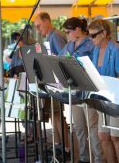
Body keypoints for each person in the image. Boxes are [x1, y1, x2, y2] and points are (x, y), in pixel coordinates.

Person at [59, 17, 104, 163]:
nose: (66, 35)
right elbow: (59, 59)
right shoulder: (69, 45)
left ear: (78, 29)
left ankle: (97, 158)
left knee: (92, 126)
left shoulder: (91, 43)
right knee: (78, 126)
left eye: (68, 31)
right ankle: (84, 158)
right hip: (73, 90)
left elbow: (94, 64)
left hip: (88, 88)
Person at [87, 19, 119, 163]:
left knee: (116, 137)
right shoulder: (96, 49)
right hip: (102, 98)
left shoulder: (116, 49)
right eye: (89, 35)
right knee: (103, 136)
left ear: (104, 33)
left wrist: (110, 90)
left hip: (115, 98)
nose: (90, 39)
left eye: (93, 35)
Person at [34, 12, 70, 157]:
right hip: (52, 81)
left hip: (57, 82)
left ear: (47, 21)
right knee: (53, 115)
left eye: (39, 26)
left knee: (57, 115)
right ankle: (59, 145)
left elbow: (64, 57)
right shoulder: (50, 36)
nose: (38, 29)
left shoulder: (56, 36)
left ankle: (66, 147)